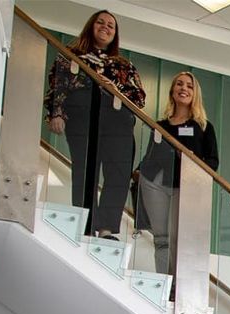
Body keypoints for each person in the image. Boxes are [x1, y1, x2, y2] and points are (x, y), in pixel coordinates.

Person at [44, 9, 145, 240]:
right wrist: (56, 113)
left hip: (118, 124)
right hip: (82, 119)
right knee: (85, 170)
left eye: (111, 25)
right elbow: (56, 85)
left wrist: (114, 87)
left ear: (115, 34)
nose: (106, 27)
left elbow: (139, 98)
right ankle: (87, 224)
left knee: (118, 174)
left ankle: (107, 229)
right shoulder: (70, 54)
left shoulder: (123, 65)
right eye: (101, 22)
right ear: (91, 25)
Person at [135, 71, 218, 278]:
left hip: (186, 188)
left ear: (195, 93)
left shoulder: (203, 127)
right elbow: (150, 156)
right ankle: (163, 282)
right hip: (156, 184)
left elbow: (213, 163)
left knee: (179, 238)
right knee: (161, 238)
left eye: (189, 86)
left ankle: (177, 285)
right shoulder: (160, 125)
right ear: (173, 91)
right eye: (179, 84)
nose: (184, 88)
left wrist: (193, 161)